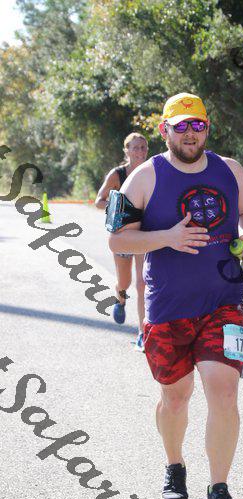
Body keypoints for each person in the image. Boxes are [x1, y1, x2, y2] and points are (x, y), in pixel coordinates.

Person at [108, 92, 243, 499]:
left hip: (223, 303)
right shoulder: (143, 177)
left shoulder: (230, 170)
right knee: (175, 398)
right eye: (181, 126)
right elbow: (118, 240)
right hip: (168, 308)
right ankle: (174, 466)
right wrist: (167, 238)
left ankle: (219, 491)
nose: (191, 133)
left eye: (198, 125)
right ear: (165, 130)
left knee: (224, 391)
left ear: (207, 128)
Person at [95, 132, 148, 351]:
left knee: (142, 284)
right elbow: (99, 201)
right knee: (125, 282)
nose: (140, 152)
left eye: (143, 147)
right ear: (126, 150)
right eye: (135, 148)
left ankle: (143, 333)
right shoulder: (118, 174)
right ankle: (120, 298)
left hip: (146, 235)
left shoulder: (152, 171)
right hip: (124, 234)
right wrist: (119, 208)